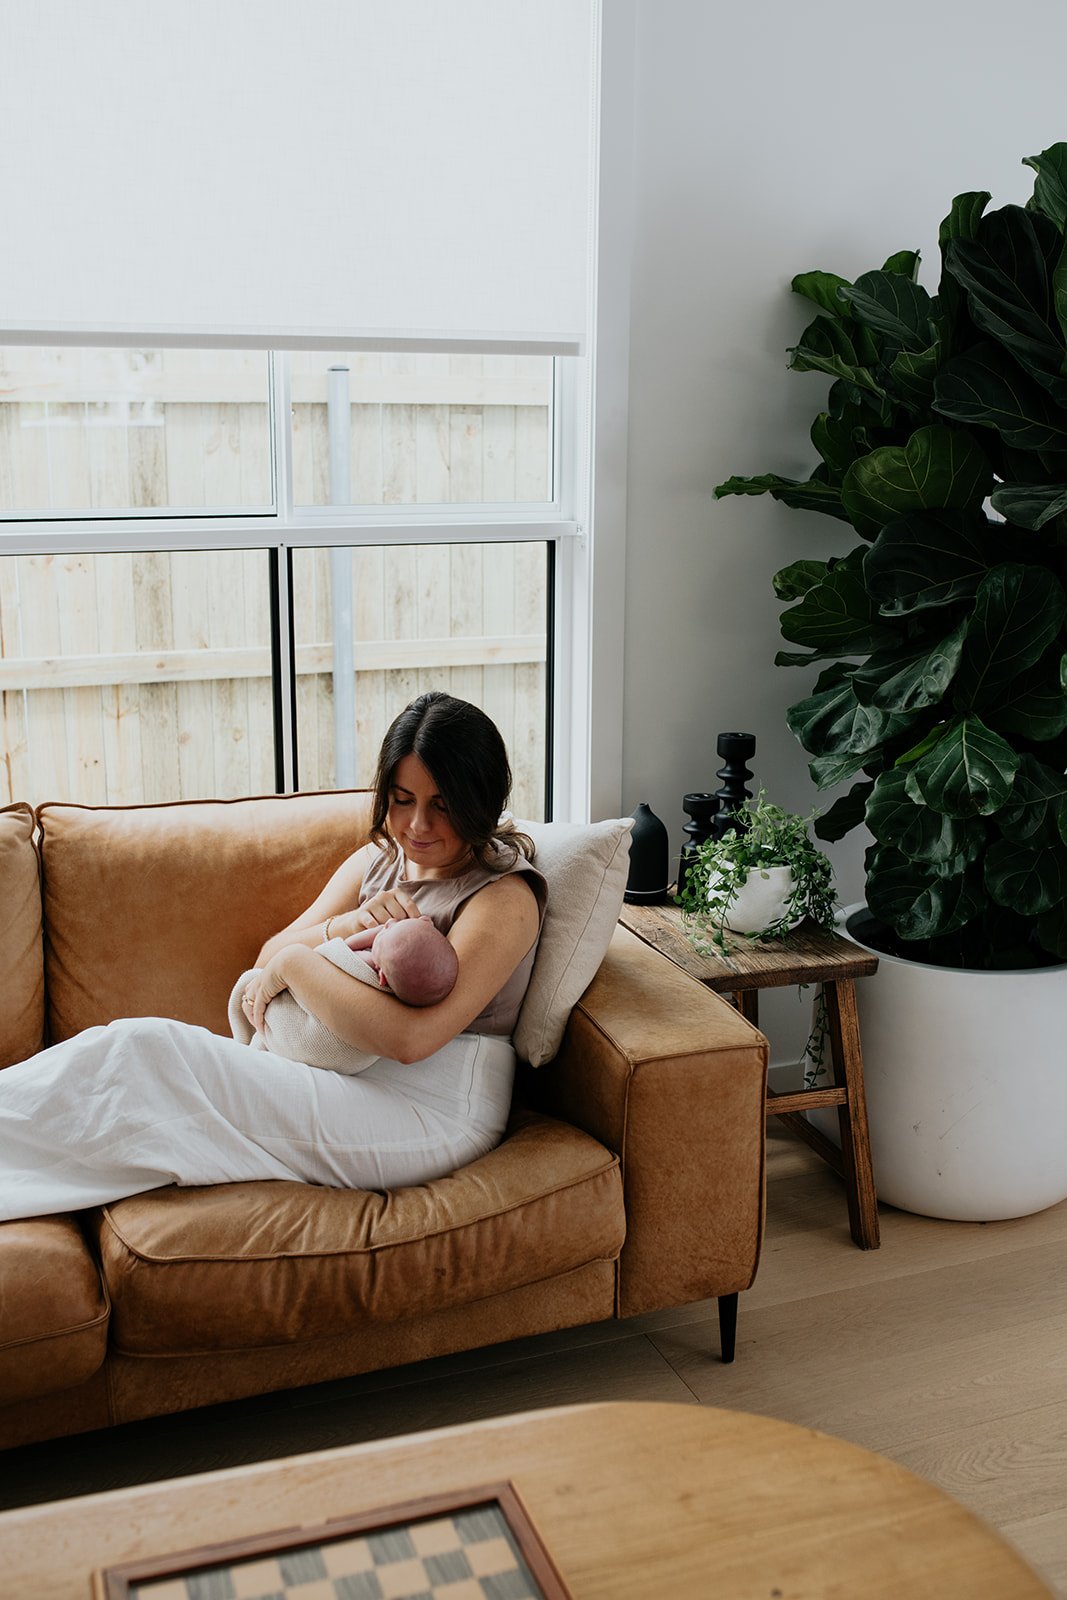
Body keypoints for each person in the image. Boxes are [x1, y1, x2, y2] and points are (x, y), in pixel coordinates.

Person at [0, 692, 547, 1223]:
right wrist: (344, 925)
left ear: (480, 803)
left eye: (442, 807)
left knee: (146, 1054)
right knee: (123, 1047)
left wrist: (295, 967)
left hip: (434, 1109)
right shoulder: (378, 863)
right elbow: (269, 953)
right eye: (402, 801)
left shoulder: (502, 899)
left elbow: (410, 1039)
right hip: (343, 1070)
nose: (418, 825)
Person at [226, 915, 460, 1073]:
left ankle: (250, 1041)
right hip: (344, 1063)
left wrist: (378, 932)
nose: (388, 923)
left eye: (387, 932)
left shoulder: (368, 961)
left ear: (382, 978)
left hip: (316, 1034)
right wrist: (350, 920)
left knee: (250, 984)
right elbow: (269, 956)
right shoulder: (406, 980)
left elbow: (344, 946)